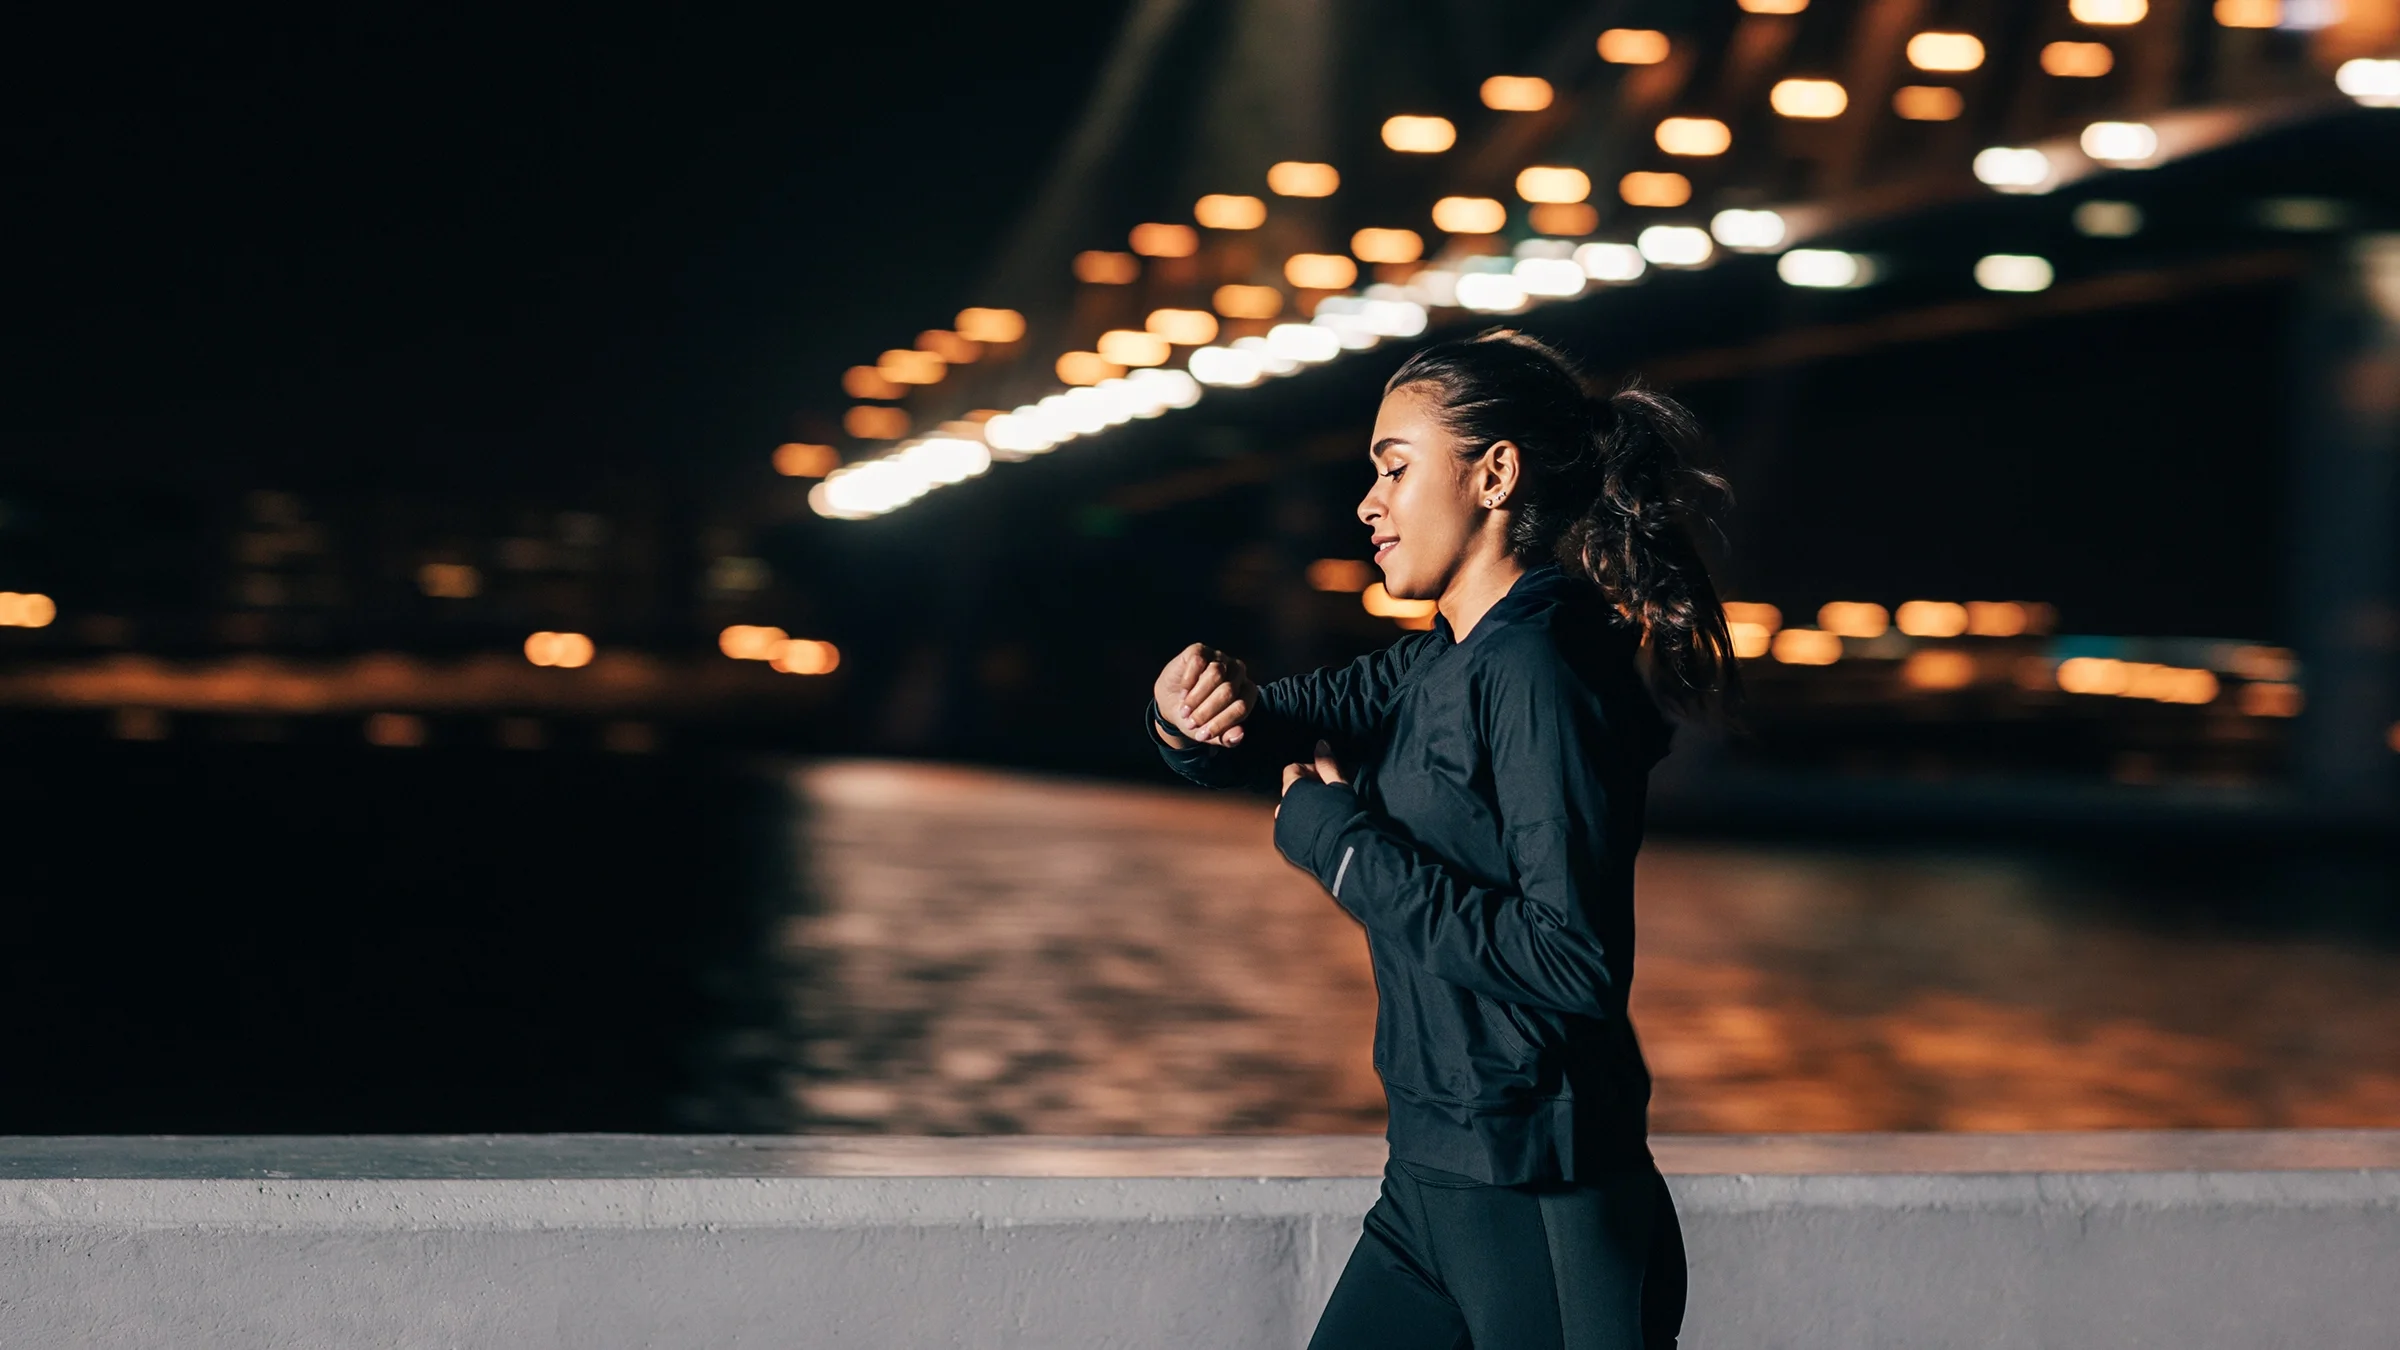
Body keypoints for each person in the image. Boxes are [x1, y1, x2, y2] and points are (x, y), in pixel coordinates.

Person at [1144, 329, 1737, 1349]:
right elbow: (1256, 725)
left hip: (1541, 1193)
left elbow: (1574, 959)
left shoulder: (1542, 671)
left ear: (1494, 473)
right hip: (1429, 1184)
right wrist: (1182, 715)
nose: (1368, 503)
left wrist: (1342, 848)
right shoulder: (1432, 667)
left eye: (1395, 468)